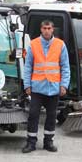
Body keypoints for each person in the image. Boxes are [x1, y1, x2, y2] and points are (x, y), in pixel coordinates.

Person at [22, 20, 70, 152]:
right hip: (37, 88)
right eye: (44, 28)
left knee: (51, 116)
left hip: (53, 88)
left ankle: (48, 142)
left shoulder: (60, 45)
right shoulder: (33, 44)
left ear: (53, 29)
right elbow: (28, 66)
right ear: (41, 29)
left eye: (49, 28)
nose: (47, 31)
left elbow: (65, 67)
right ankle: (31, 142)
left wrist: (64, 85)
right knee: (33, 115)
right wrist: (27, 85)